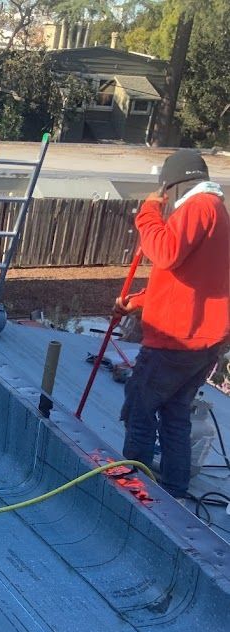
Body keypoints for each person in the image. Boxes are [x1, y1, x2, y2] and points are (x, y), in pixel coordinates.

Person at [116, 149, 230, 500]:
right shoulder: (216, 212)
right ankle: (175, 490)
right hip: (203, 337)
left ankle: (132, 487)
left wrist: (148, 213)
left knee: (139, 406)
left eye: (165, 195)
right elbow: (185, 279)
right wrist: (135, 303)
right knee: (174, 410)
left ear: (176, 187)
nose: (165, 202)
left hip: (178, 340)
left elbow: (164, 252)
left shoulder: (199, 207)